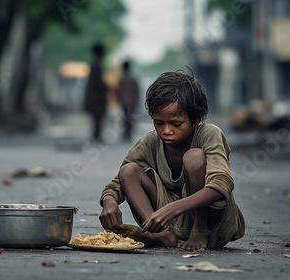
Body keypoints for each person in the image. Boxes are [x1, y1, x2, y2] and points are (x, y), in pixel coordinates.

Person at [98, 70, 245, 251]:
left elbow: (221, 184)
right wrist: (109, 202)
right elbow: (117, 184)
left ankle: (198, 231)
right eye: (159, 123)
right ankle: (159, 235)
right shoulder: (150, 142)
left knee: (194, 157)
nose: (166, 131)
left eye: (176, 124)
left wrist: (174, 209)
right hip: (166, 223)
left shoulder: (209, 134)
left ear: (196, 118)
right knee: (128, 170)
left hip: (211, 224)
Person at [84, 43, 108, 142]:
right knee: (98, 117)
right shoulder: (96, 65)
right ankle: (96, 136)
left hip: (95, 96)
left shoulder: (95, 64)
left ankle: (96, 135)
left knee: (97, 118)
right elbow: (98, 82)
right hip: (96, 97)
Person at [116, 61, 140, 141]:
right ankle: (128, 133)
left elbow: (118, 91)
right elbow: (136, 91)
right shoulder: (133, 79)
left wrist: (120, 99)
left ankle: (126, 133)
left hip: (125, 103)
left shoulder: (122, 79)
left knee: (125, 118)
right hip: (132, 103)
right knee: (130, 118)